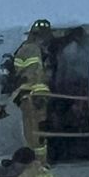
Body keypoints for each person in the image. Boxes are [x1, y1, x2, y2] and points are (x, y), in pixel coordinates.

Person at [12, 19, 54, 163]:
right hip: (35, 95)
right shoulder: (33, 49)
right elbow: (34, 73)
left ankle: (38, 163)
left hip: (27, 97)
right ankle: (40, 163)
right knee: (38, 132)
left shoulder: (23, 49)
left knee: (33, 132)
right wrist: (38, 95)